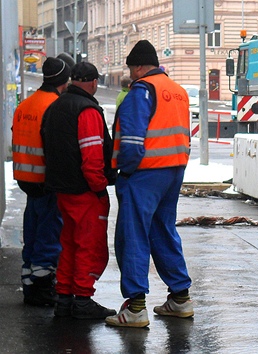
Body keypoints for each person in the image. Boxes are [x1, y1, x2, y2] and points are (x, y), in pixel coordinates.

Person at [106, 40, 193, 328]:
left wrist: (125, 172)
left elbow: (131, 143)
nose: (131, 74)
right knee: (163, 231)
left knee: (133, 236)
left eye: (132, 68)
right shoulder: (178, 92)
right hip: (173, 170)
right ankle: (180, 298)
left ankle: (135, 308)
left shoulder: (141, 91)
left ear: (140, 66)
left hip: (142, 174)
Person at [41, 61, 117, 319]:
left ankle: (64, 299)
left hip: (61, 190)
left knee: (69, 244)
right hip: (85, 192)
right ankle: (83, 300)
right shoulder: (87, 111)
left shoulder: (55, 107)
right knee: (89, 246)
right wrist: (99, 187)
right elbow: (92, 157)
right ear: (94, 82)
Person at [12, 55, 73, 306]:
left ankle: (29, 280)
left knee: (33, 231)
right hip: (46, 180)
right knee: (48, 235)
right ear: (63, 80)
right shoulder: (55, 106)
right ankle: (41, 285)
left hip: (26, 179)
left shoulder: (25, 105)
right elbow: (56, 147)